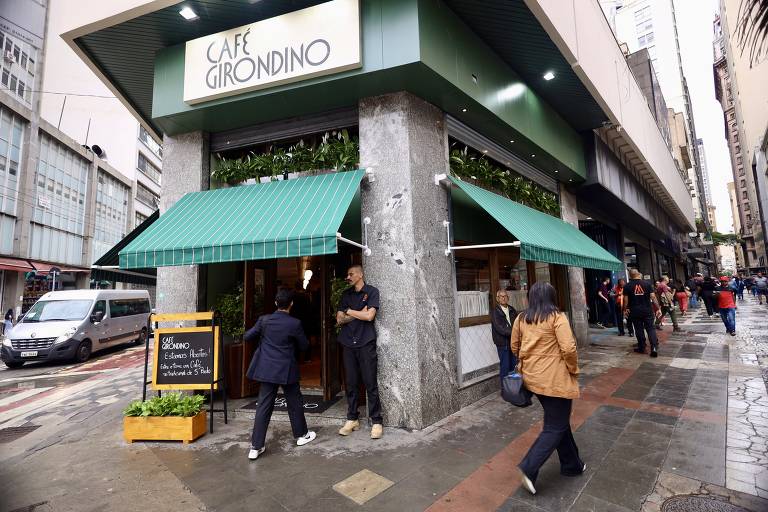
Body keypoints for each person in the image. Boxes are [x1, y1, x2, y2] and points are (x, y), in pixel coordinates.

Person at [511, 282, 584, 495]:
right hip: (554, 380)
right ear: (551, 297)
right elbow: (569, 348)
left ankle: (572, 465)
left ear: (531, 297)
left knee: (558, 421)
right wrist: (572, 369)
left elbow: (514, 346)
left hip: (532, 379)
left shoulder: (522, 318)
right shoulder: (557, 318)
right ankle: (528, 467)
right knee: (555, 426)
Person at [244, 289, 317, 461]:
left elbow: (247, 336)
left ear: (276, 303)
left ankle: (256, 446)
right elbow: (304, 346)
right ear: (291, 304)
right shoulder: (295, 323)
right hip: (287, 369)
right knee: (294, 402)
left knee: (263, 406)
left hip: (267, 369)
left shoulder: (264, 321)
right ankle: (301, 435)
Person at [336, 265, 383, 439]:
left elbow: (370, 316)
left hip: (365, 342)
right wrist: (357, 313)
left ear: (360, 274)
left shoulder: (372, 292)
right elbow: (339, 319)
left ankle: (377, 420)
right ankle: (352, 418)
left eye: (351, 274)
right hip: (348, 342)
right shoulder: (346, 294)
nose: (348, 277)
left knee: (370, 381)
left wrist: (349, 311)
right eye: (347, 274)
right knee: (351, 382)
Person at [623, 269, 661, 358]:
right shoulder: (647, 284)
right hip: (647, 310)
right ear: (638, 274)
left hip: (635, 311)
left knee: (639, 329)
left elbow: (625, 300)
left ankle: (642, 347)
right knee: (651, 329)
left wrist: (625, 309)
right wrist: (658, 308)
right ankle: (654, 348)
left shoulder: (627, 286)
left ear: (630, 275)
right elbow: (653, 297)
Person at [491, 290, 518, 382]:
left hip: (513, 342)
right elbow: (500, 328)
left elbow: (517, 324)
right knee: (505, 366)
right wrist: (515, 333)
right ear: (497, 299)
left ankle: (513, 388)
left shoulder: (512, 309)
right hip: (503, 343)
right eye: (501, 296)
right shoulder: (495, 312)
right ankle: (505, 389)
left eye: (505, 296)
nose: (503, 298)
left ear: (508, 298)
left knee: (514, 365)